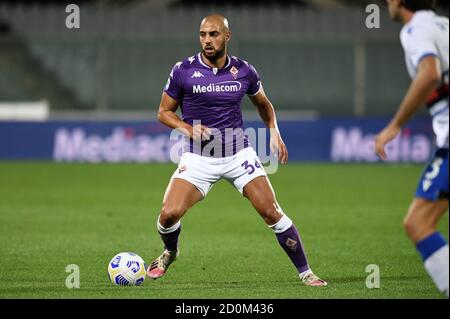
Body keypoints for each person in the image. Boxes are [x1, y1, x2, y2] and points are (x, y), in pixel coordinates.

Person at [146, 14, 327, 287]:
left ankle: (306, 272)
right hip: (199, 158)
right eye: (203, 34)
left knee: (271, 211)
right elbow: (163, 112)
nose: (207, 40)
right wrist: (187, 129)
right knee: (168, 214)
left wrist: (274, 132)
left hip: (238, 155)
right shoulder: (183, 70)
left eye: (214, 34)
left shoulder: (244, 71)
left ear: (227, 36)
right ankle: (170, 252)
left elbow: (264, 104)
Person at [375, 0, 448, 297]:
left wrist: (395, 125)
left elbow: (429, 73)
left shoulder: (415, 29)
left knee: (418, 223)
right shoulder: (444, 25)